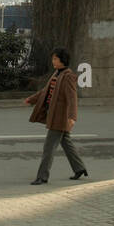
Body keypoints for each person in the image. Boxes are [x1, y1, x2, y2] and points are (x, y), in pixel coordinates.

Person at [24, 47, 87, 185]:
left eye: (55, 59)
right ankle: (79, 168)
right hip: (54, 115)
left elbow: (72, 98)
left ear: (62, 60)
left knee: (48, 147)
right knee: (66, 142)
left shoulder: (68, 76)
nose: (53, 61)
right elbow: (45, 91)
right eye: (52, 58)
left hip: (59, 118)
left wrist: (72, 117)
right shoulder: (57, 74)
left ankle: (42, 177)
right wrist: (32, 99)